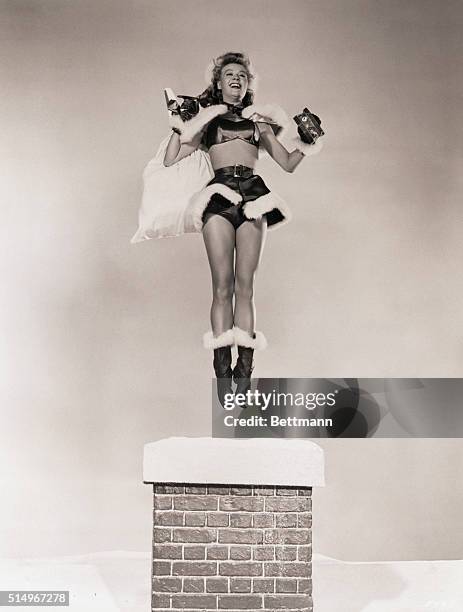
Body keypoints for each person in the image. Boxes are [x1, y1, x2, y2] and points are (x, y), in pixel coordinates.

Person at [134, 51, 322, 396]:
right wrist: (179, 124)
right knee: (221, 286)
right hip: (217, 197)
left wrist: (308, 143)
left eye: (243, 76)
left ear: (248, 84)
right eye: (230, 75)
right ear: (218, 83)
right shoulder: (208, 121)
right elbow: (172, 156)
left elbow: (287, 163)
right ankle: (223, 374)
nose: (237, 79)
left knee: (245, 286)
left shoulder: (258, 122)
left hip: (254, 197)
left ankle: (244, 372)